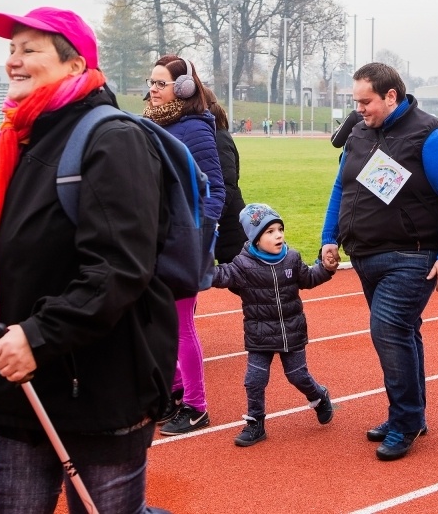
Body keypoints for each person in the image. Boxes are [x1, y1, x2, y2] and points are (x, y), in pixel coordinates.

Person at [0, 7, 176, 513]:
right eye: (11, 50)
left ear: (75, 64)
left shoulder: (114, 139)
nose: (13, 61)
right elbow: (10, 248)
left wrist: (37, 336)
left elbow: (119, 268)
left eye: (29, 49)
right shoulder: (20, 138)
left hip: (99, 392)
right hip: (24, 395)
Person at [320, 62, 438, 462]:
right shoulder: (358, 131)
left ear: (391, 95)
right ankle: (410, 415)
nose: (360, 109)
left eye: (365, 101)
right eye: (355, 102)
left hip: (412, 255)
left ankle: (404, 422)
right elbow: (342, 186)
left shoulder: (431, 136)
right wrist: (328, 236)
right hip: (366, 255)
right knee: (402, 333)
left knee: (388, 329)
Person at [143, 54, 225, 436]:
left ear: (184, 87)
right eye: (152, 82)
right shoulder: (149, 124)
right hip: (153, 239)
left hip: (182, 242)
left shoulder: (194, 129)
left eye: (161, 83)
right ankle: (175, 392)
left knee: (180, 323)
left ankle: (196, 406)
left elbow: (216, 190)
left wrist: (195, 237)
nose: (153, 89)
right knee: (160, 323)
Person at [212, 203, 337, 447]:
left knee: (297, 376)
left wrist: (326, 269)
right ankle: (255, 423)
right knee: (254, 380)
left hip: (292, 331)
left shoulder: (292, 258)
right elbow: (220, 276)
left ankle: (319, 397)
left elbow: (309, 278)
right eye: (269, 231)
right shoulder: (242, 265)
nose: (278, 235)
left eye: (280, 229)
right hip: (260, 335)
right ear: (255, 238)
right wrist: (196, 268)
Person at [203, 86, 248, 263]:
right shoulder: (211, 134)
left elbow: (227, 182)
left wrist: (212, 217)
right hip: (222, 222)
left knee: (249, 281)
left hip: (229, 224)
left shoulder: (218, 136)